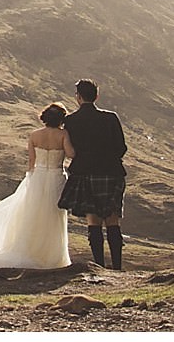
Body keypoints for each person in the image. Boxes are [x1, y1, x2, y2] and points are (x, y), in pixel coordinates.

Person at [0, 103, 74, 269]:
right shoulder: (63, 134)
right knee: (53, 214)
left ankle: (28, 250)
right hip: (56, 176)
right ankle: (53, 257)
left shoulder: (35, 135)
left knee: (32, 212)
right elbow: (71, 154)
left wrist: (30, 176)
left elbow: (31, 160)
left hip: (38, 176)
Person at [58, 78, 128, 270]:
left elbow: (70, 149)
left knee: (93, 220)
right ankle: (117, 267)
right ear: (97, 96)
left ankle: (99, 266)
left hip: (84, 174)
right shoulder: (111, 118)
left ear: (78, 98)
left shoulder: (70, 121)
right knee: (113, 220)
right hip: (111, 173)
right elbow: (121, 147)